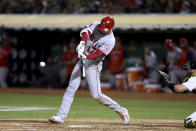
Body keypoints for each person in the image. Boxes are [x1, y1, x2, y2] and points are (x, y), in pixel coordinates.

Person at [49, 16, 130, 124]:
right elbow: (86, 32)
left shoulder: (110, 40)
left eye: (104, 29)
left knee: (96, 95)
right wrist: (82, 44)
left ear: (111, 28)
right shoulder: (96, 25)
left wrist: (86, 57)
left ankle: (122, 110)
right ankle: (60, 117)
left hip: (94, 64)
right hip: (82, 59)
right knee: (71, 88)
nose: (101, 30)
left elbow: (98, 54)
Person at [158, 60, 196, 128]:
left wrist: (168, 82)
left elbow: (179, 89)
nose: (188, 71)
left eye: (190, 69)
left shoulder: (195, 78)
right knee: (188, 121)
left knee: (190, 123)